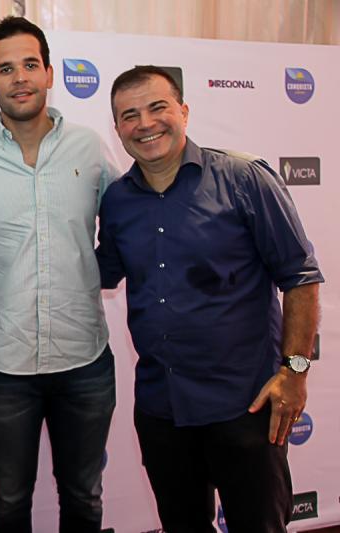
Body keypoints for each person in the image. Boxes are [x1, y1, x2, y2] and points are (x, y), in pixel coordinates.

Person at [97, 65, 323, 531]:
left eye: (157, 108)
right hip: (162, 408)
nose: (145, 123)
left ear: (184, 111)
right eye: (129, 115)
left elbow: (300, 277)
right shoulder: (117, 201)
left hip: (247, 406)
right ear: (117, 128)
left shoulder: (244, 179)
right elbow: (101, 272)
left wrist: (295, 372)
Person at [0, 17, 119, 533]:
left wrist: (101, 271)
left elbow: (131, 225)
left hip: (84, 361)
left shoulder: (90, 148)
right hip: (3, 366)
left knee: (83, 496)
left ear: (49, 74)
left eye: (29, 65)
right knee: (9, 499)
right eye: (5, 69)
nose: (19, 78)